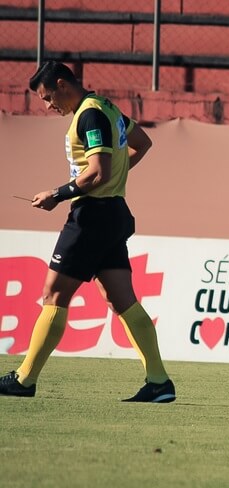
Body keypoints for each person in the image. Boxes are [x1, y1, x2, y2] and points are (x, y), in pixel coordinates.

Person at [0, 61, 175, 402]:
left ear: (63, 84)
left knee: (53, 294)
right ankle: (159, 382)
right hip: (113, 213)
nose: (50, 106)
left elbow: (96, 172)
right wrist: (116, 174)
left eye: (49, 97)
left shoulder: (89, 114)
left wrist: (57, 194)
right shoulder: (106, 107)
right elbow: (142, 142)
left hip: (92, 216)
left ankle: (23, 380)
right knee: (121, 298)